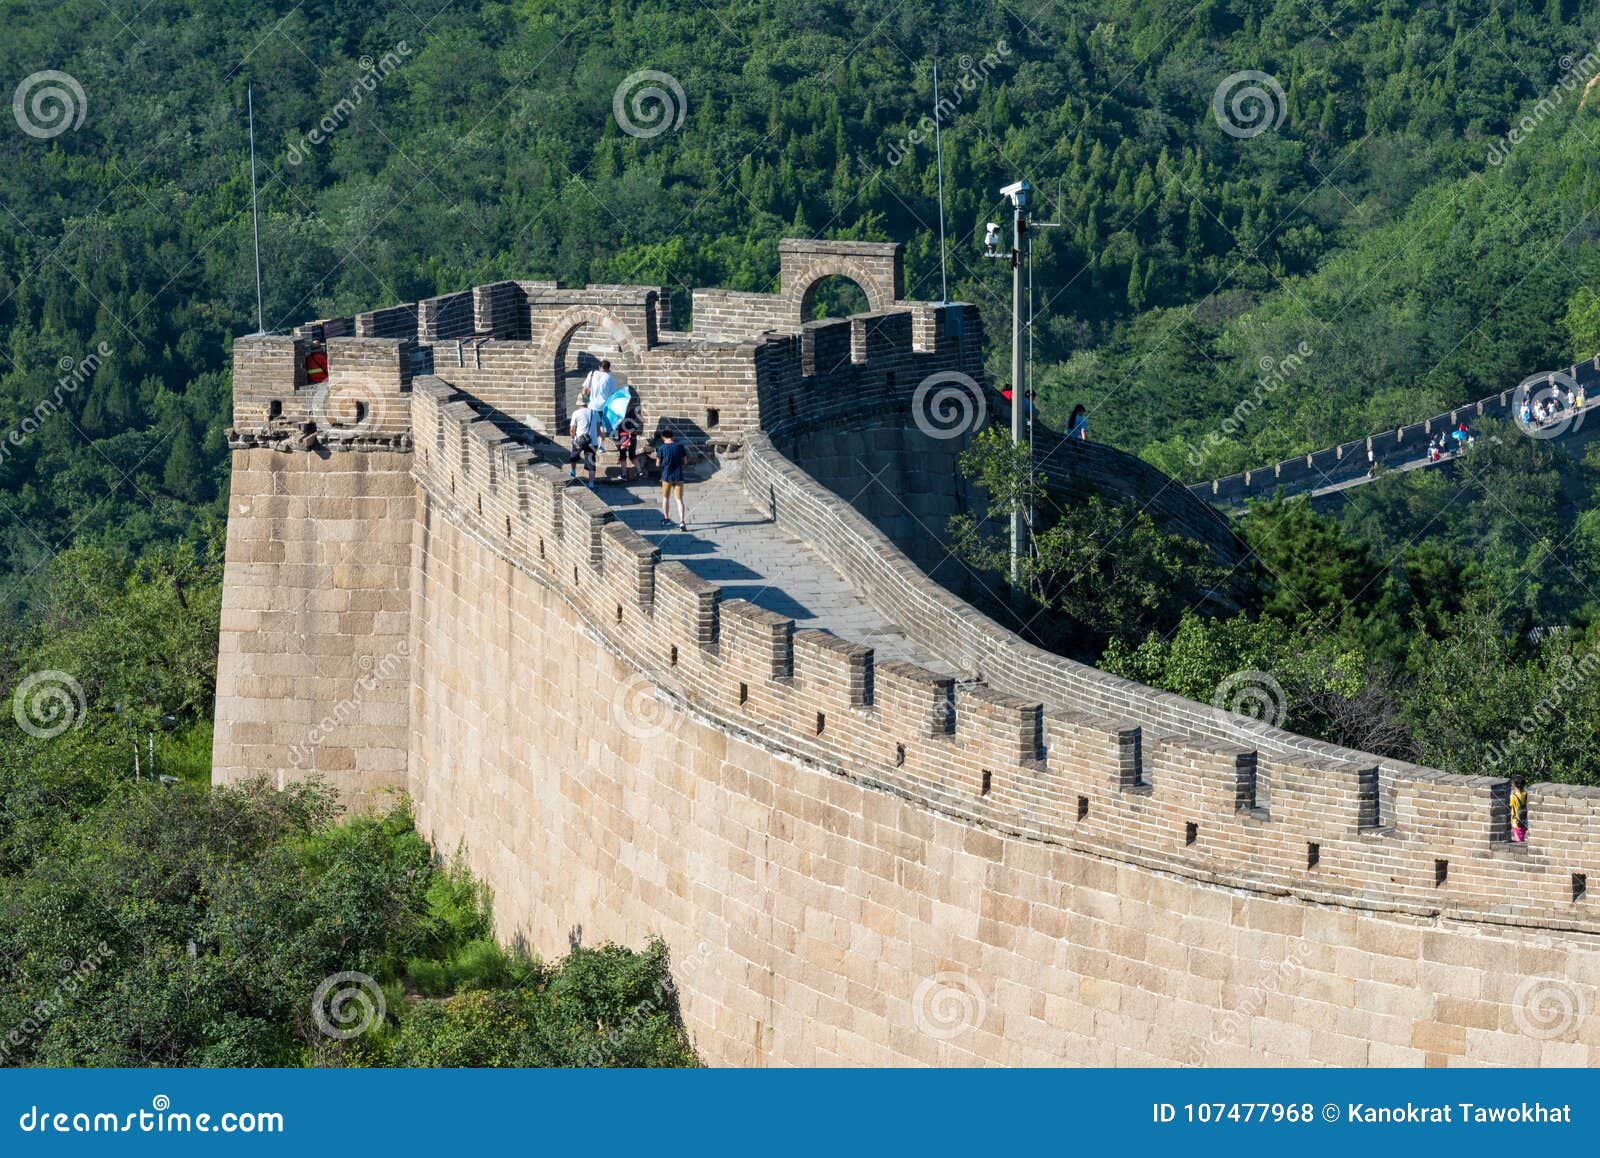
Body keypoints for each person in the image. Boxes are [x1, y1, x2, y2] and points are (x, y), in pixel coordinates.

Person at [656, 428, 688, 531]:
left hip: (666, 476)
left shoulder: (661, 448)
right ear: (672, 436)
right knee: (679, 500)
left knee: (665, 498)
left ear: (663, 437)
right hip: (678, 476)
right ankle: (682, 522)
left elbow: (657, 464)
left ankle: (666, 519)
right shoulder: (680, 446)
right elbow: (685, 461)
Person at [567, 402, 600, 487]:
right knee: (591, 462)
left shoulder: (576, 413)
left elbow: (572, 429)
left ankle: (573, 471)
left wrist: (572, 438)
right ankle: (591, 484)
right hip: (592, 441)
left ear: (578, 403)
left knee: (573, 456)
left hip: (579, 440)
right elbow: (598, 428)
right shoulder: (595, 412)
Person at [616, 402, 642, 483]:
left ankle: (624, 475)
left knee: (623, 456)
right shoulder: (634, 411)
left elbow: (617, 426)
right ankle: (640, 472)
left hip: (623, 436)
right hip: (633, 435)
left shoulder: (620, 413)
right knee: (632, 455)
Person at [1509, 775, 1528, 843]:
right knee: (1522, 837)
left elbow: (1510, 806)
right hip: (1524, 820)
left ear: (1514, 785)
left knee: (1519, 842)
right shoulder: (1525, 794)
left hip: (1516, 821)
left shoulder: (1513, 796)